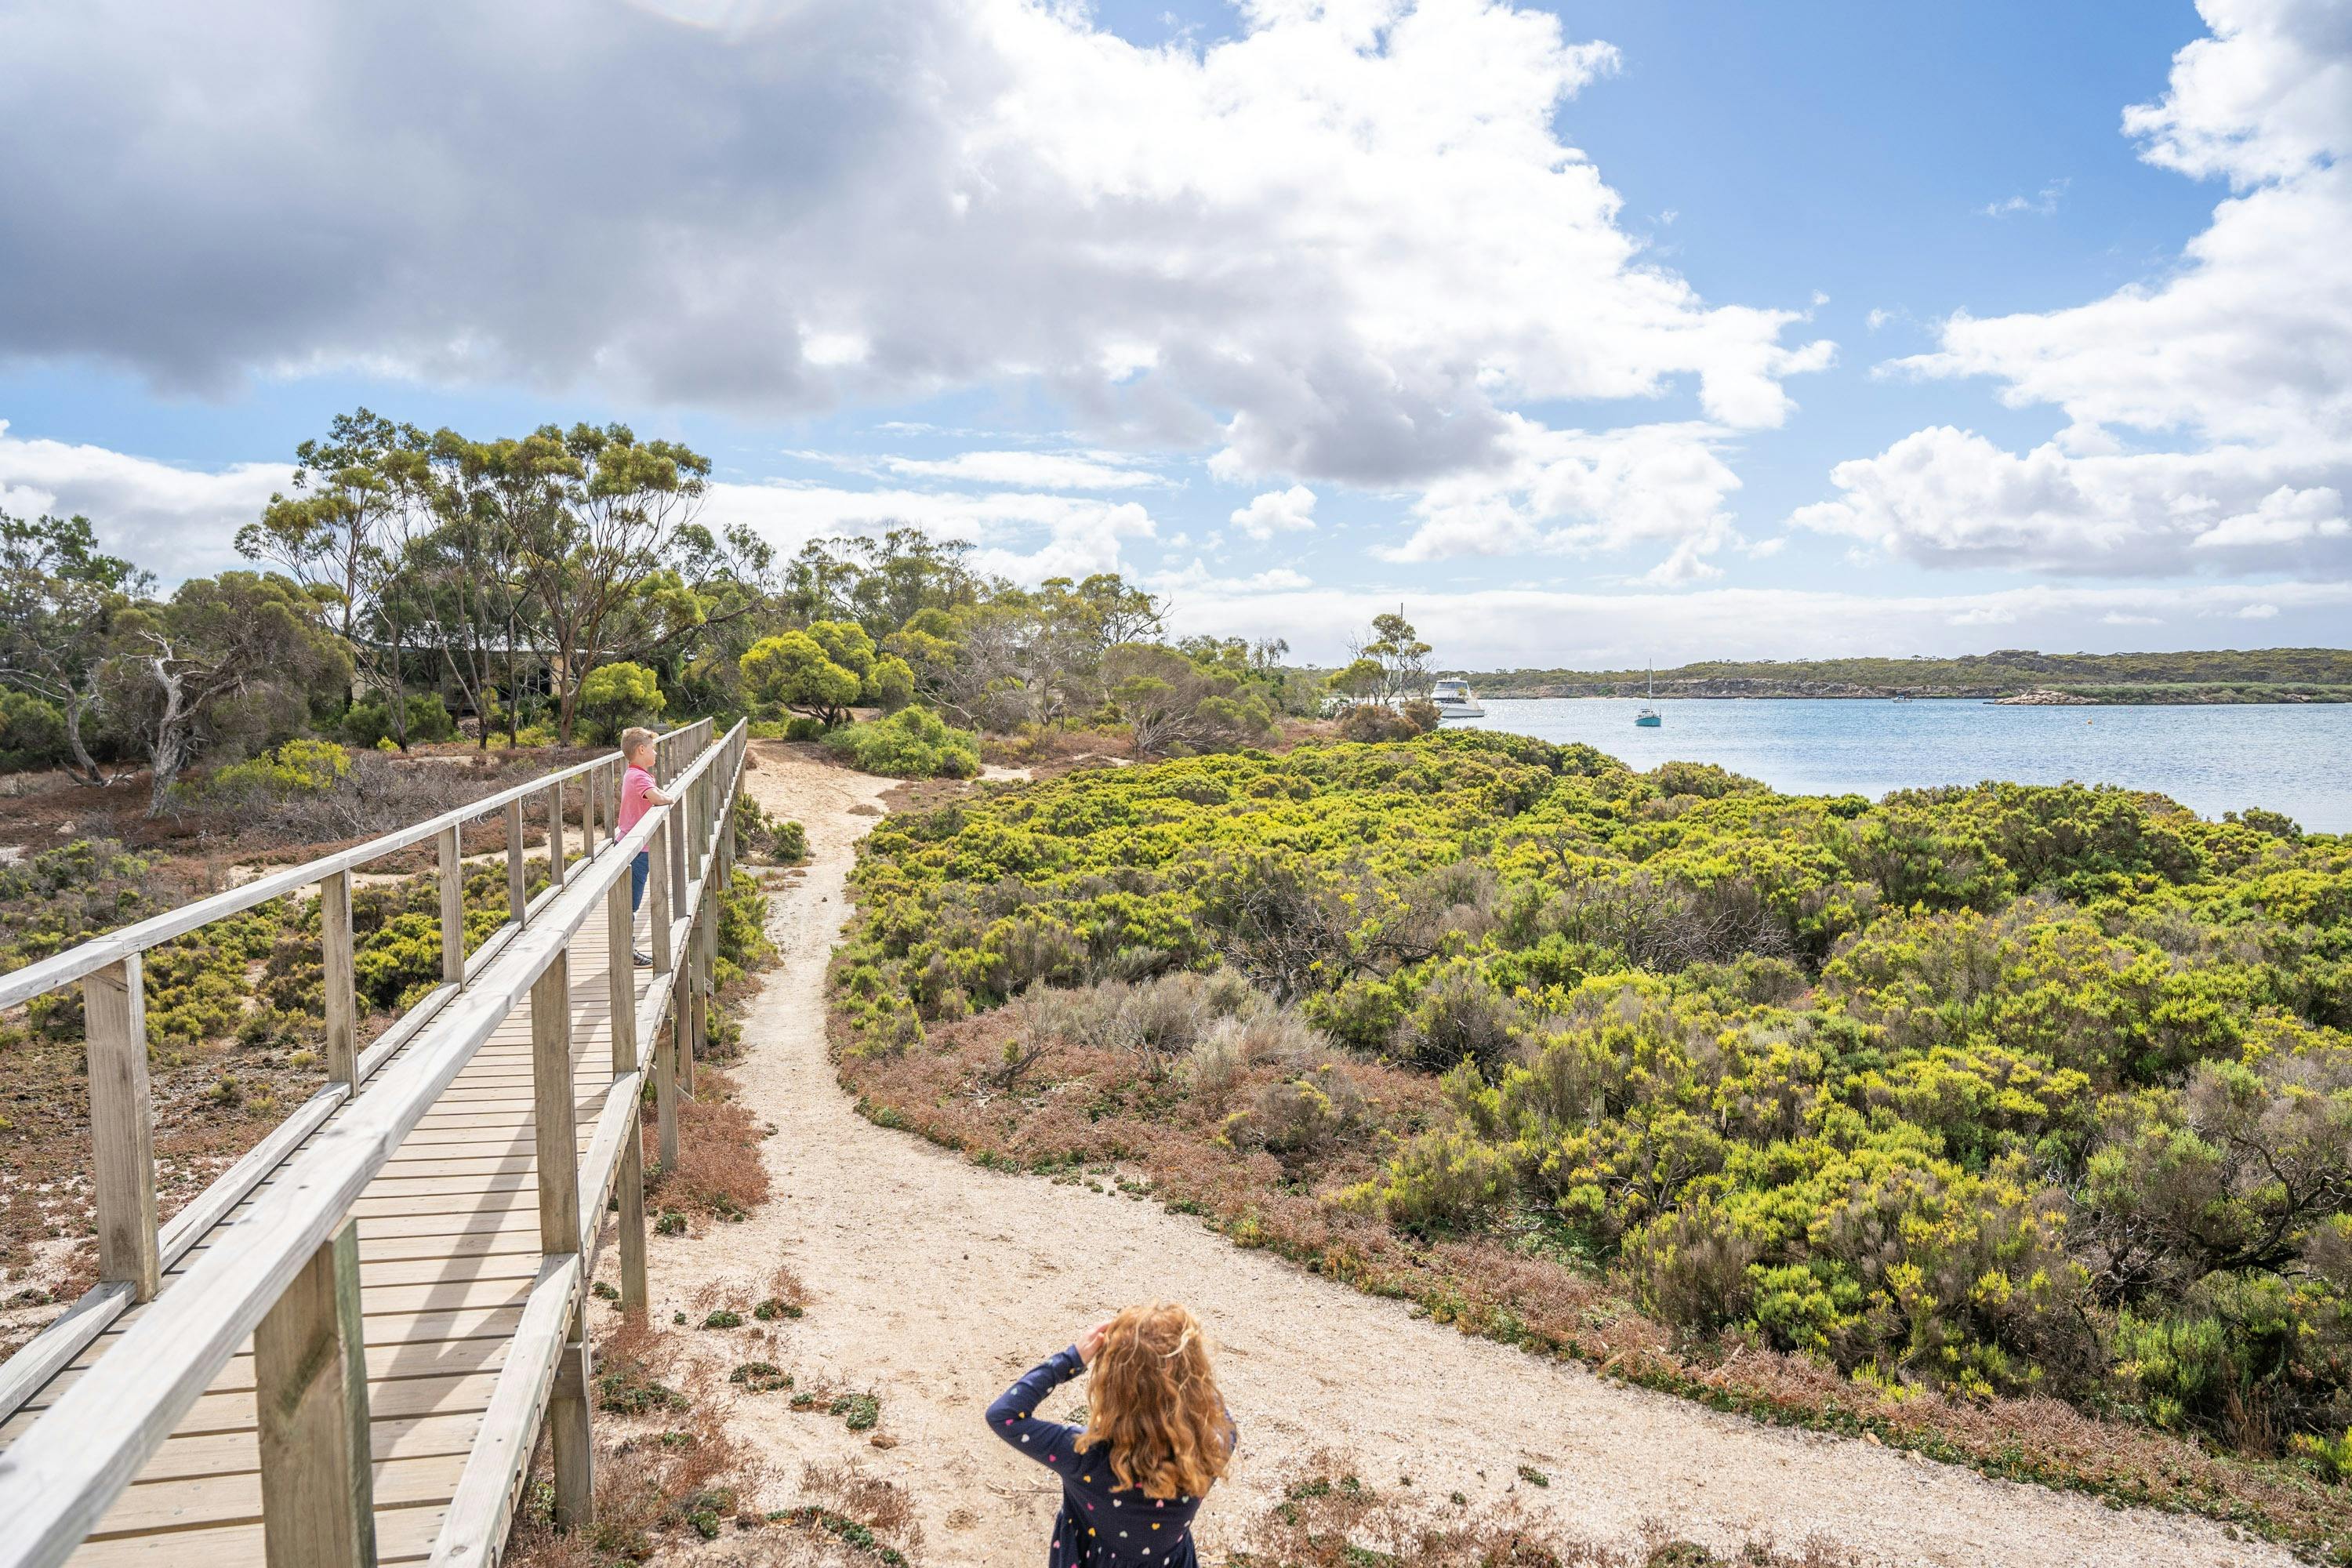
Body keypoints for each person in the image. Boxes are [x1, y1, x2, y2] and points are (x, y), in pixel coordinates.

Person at [987, 1304, 1236, 1568]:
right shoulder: (1215, 1444)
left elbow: (1003, 1415)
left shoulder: (1083, 1454)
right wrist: (1182, 1368)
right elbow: (1210, 1404)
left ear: (1110, 1385)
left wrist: (1072, 1359)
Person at [615, 726, 676, 967]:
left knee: (630, 902)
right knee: (630, 904)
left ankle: (625, 949)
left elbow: (653, 791)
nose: (656, 753)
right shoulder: (638, 777)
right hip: (636, 850)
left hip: (634, 844)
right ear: (641, 750)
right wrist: (670, 798)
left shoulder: (635, 773)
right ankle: (626, 952)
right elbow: (657, 798)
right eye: (653, 748)